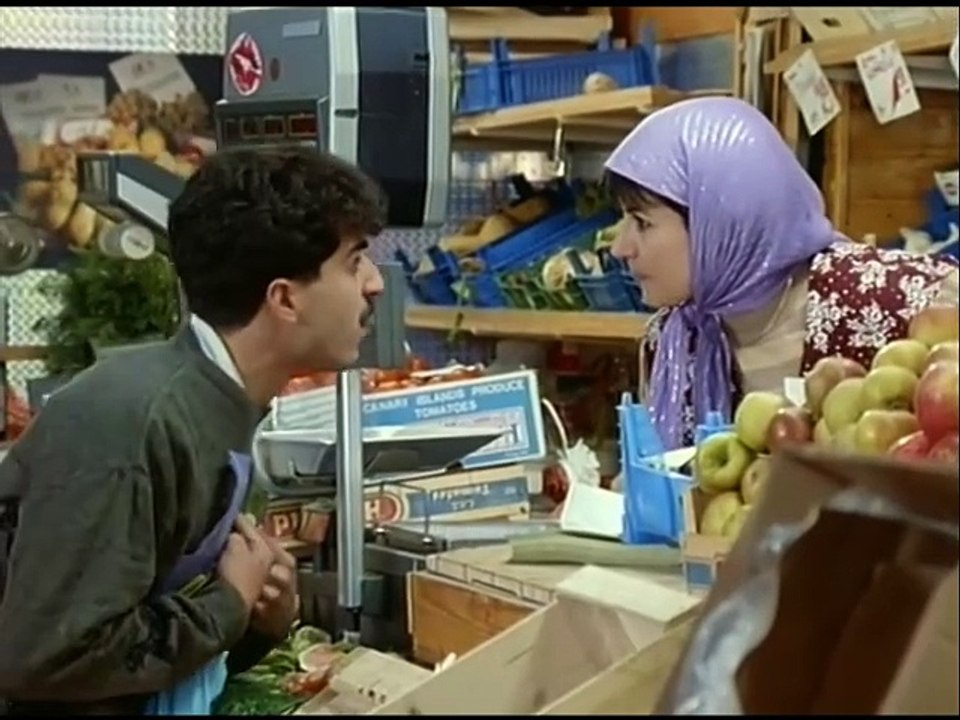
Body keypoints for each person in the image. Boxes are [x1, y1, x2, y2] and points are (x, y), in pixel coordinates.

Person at [0, 146, 387, 714]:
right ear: (284, 299)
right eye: (354, 262)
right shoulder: (134, 421)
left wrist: (260, 620)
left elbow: (138, 646)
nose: (375, 284)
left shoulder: (222, 403)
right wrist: (229, 602)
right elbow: (48, 658)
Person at [604, 96, 958, 449]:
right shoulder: (672, 344)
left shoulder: (909, 300)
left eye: (642, 222)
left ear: (724, 222)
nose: (620, 248)